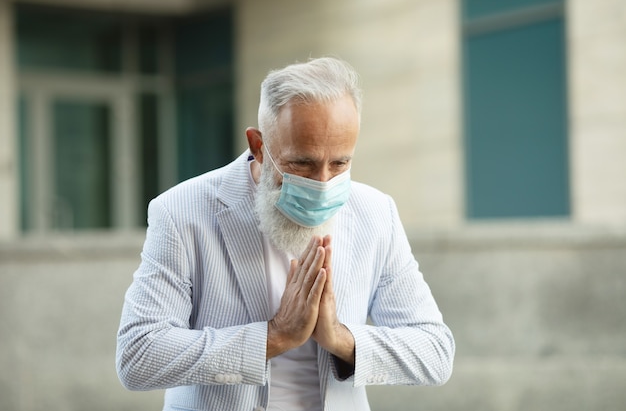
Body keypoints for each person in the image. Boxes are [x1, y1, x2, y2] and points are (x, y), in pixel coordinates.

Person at [116, 57, 454, 411]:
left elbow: (435, 352)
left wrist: (340, 339)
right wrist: (275, 336)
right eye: (302, 163)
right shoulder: (182, 211)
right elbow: (139, 355)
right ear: (259, 145)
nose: (323, 183)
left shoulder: (376, 213)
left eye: (340, 163)